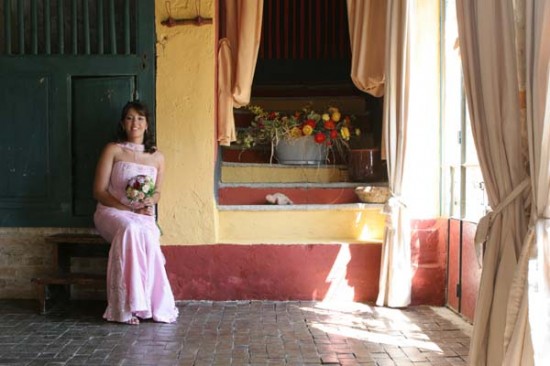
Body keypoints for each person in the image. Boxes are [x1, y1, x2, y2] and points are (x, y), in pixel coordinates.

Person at [93, 101, 178, 325]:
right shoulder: (113, 150)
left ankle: (149, 305)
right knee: (130, 229)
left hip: (143, 214)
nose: (135, 123)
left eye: (140, 118)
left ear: (147, 124)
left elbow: (158, 193)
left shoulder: (158, 157)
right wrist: (127, 207)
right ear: (123, 123)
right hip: (111, 211)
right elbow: (99, 191)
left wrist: (150, 200)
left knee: (147, 235)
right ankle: (125, 307)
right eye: (130, 118)